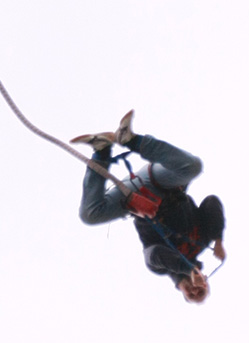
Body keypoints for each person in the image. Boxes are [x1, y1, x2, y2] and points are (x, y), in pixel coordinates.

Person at [72, 110, 226, 303]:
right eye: (200, 292)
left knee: (89, 215)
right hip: (161, 185)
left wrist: (187, 269)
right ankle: (131, 140)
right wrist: (218, 240)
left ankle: (101, 151)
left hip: (133, 199)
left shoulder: (158, 266)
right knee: (193, 166)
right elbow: (211, 202)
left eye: (191, 295)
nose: (194, 290)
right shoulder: (203, 239)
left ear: (182, 291)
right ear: (205, 282)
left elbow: (157, 255)